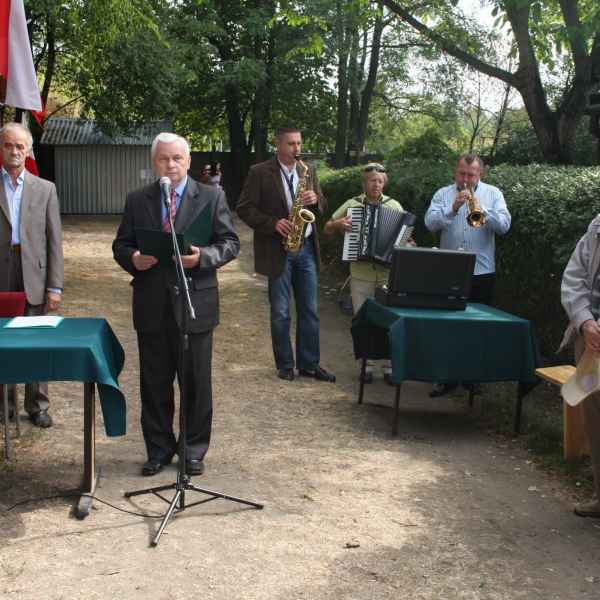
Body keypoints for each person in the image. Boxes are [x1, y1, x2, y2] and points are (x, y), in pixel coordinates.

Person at [112, 132, 239, 476]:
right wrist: (133, 258)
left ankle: (192, 450)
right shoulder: (138, 199)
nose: (170, 164)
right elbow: (121, 245)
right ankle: (158, 449)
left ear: (188, 161)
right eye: (163, 158)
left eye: (177, 158)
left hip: (195, 303)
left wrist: (202, 258)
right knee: (154, 383)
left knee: (196, 383)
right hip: (151, 304)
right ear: (154, 162)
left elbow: (230, 243)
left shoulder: (211, 196)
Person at [237, 126, 335, 382]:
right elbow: (244, 208)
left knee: (310, 310)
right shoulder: (259, 172)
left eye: (299, 143)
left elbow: (323, 206)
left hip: (306, 248)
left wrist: (316, 200)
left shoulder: (308, 170)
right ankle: (285, 364)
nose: (297, 149)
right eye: (291, 144)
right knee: (281, 312)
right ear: (278, 144)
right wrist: (273, 223)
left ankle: (309, 364)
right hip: (277, 249)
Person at [424, 153, 511, 397]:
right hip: (448, 270)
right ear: (456, 172)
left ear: (480, 174)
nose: (465, 179)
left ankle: (472, 378)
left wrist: (483, 210)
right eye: (461, 174)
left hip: (481, 271)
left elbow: (504, 226)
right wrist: (453, 208)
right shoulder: (443, 194)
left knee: (477, 328)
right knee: (446, 326)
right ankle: (445, 377)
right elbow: (430, 223)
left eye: (471, 175)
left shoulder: (493, 194)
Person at [0, 122, 64, 428]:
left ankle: (38, 405)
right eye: (8, 145)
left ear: (28, 151)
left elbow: (54, 240)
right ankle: (5, 406)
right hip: (2, 272)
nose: (14, 151)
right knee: (3, 340)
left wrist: (55, 286)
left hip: (34, 275)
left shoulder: (45, 189)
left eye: (19, 146)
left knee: (35, 340)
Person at [324, 163, 407, 384]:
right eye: (372, 180)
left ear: (384, 183)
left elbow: (403, 237)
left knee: (389, 321)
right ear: (364, 183)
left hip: (387, 274)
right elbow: (327, 228)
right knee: (363, 321)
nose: (376, 184)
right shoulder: (352, 204)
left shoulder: (395, 206)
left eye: (380, 181)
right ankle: (367, 366)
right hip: (360, 273)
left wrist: (406, 242)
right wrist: (338, 224)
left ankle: (389, 366)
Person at [560, 214, 600, 518]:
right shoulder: (597, 226)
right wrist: (585, 322)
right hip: (590, 342)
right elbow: (574, 277)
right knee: (595, 419)